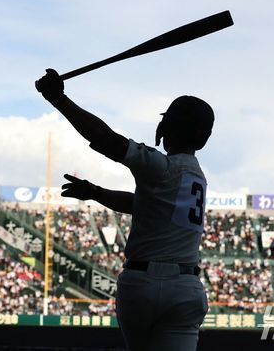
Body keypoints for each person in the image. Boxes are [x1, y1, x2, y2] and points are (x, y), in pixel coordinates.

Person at [36, 69, 214, 350]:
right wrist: (96, 192)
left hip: (141, 285)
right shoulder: (197, 177)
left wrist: (58, 99)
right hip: (185, 288)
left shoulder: (161, 166)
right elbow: (142, 205)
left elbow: (106, 139)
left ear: (166, 128)